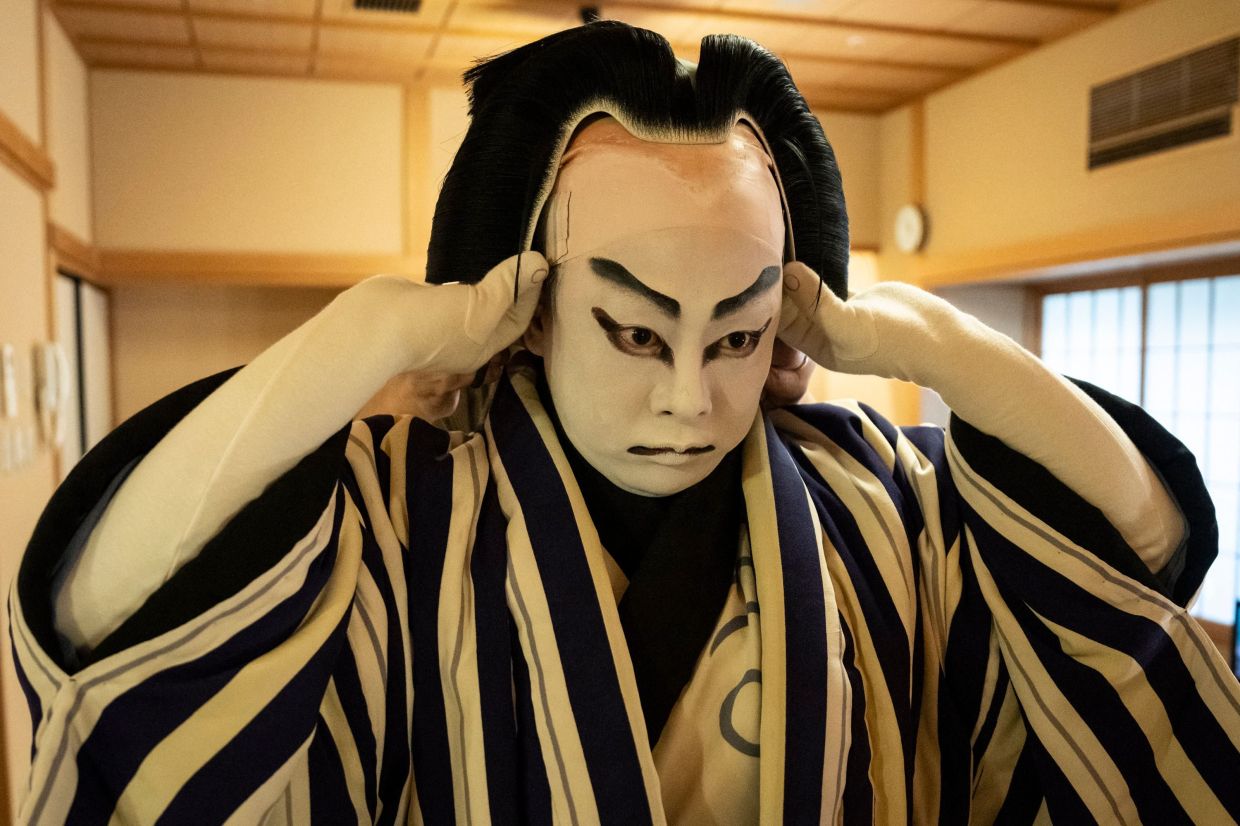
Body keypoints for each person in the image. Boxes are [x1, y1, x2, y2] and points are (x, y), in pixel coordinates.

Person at [11, 21, 1238, 825]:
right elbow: (102, 629)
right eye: (637, 330)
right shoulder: (393, 512)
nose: (688, 395)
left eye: (741, 332)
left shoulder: (879, 502)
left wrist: (928, 343)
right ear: (530, 306)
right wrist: (366, 337)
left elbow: (1137, 568)